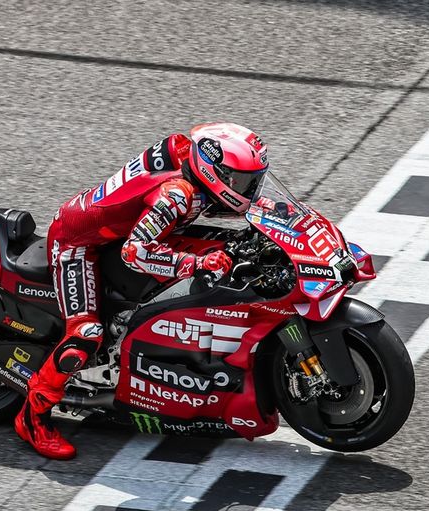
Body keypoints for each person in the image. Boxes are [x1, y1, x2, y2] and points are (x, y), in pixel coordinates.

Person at [15, 122, 270, 459]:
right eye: (240, 181)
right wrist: (193, 265)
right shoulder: (178, 196)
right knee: (86, 335)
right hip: (78, 243)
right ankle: (32, 417)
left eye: (254, 180)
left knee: (226, 248)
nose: (248, 189)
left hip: (121, 231)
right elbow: (136, 253)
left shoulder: (190, 157)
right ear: (213, 171)